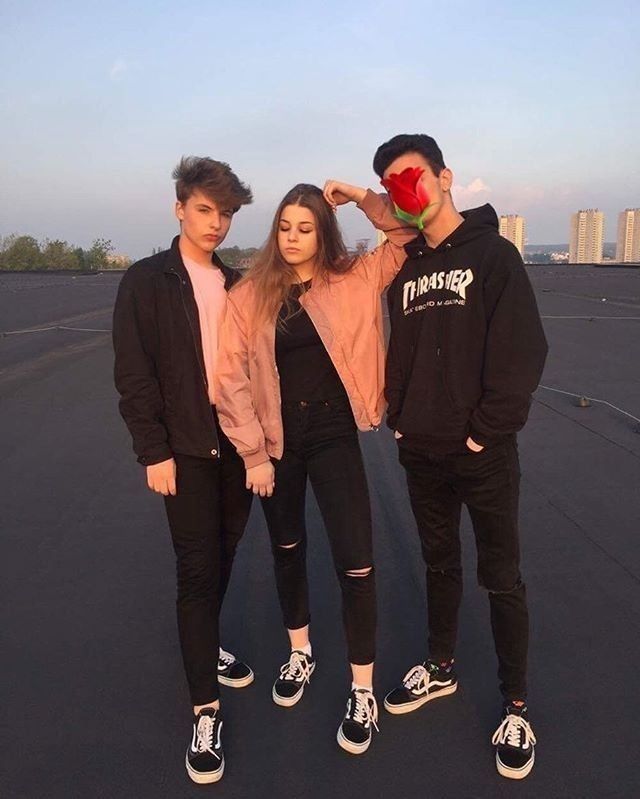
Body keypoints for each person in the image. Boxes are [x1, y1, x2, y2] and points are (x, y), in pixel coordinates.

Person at [214, 182, 414, 754]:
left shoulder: (356, 277)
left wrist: (359, 195)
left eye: (305, 228)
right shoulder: (249, 295)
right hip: (279, 440)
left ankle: (362, 688)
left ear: (323, 232)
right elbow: (230, 379)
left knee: (357, 561)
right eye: (285, 227)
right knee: (288, 548)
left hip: (333, 435)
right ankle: (299, 652)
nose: (293, 238)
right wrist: (253, 453)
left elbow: (406, 233)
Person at [376, 134, 548, 780]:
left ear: (445, 177)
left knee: (501, 576)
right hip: (421, 450)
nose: (406, 191)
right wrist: (399, 419)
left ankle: (516, 705)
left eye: (413, 176)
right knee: (439, 563)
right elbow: (400, 352)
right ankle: (441, 667)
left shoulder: (494, 255)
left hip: (483, 453)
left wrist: (484, 431)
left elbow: (524, 351)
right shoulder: (406, 269)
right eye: (393, 186)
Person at [113, 156, 255, 784]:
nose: (215, 223)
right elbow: (134, 371)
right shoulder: (147, 281)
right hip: (185, 449)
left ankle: (206, 645)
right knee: (196, 570)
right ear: (179, 208)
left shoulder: (237, 283)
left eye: (225, 213)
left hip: (237, 446)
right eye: (204, 209)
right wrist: (153, 450)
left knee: (224, 555)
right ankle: (205, 710)